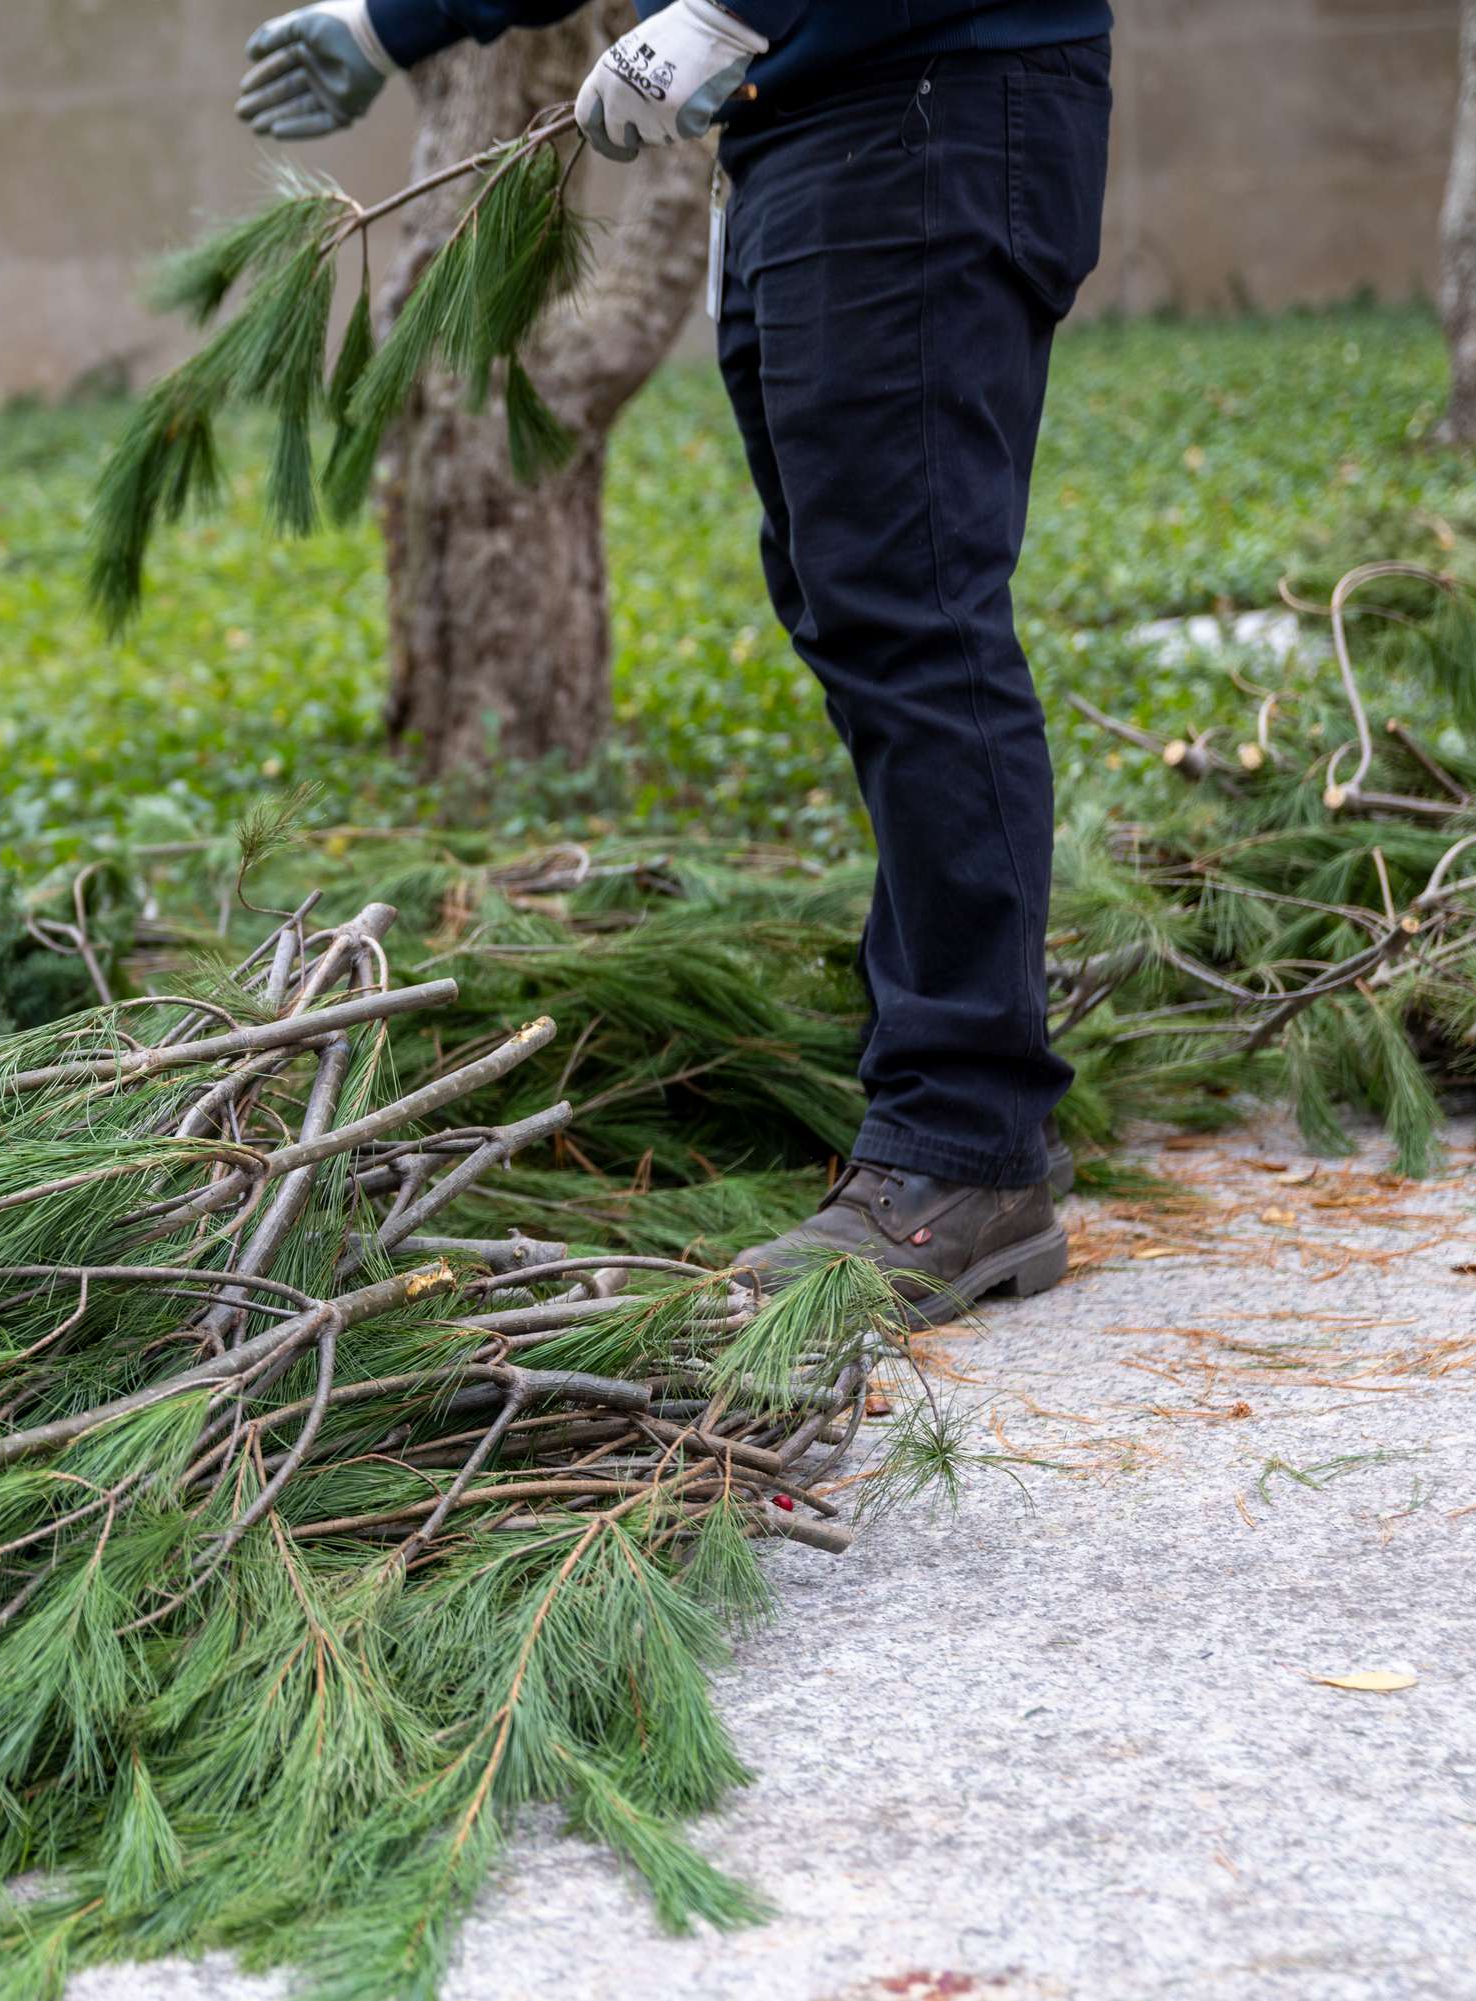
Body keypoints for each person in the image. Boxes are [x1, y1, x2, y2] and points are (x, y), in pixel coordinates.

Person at [236, 0, 1113, 1324]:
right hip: (824, 122)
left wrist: (736, 10)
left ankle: (964, 1145)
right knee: (854, 612)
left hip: (923, 101)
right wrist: (392, 23)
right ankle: (964, 1085)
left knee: (911, 613)